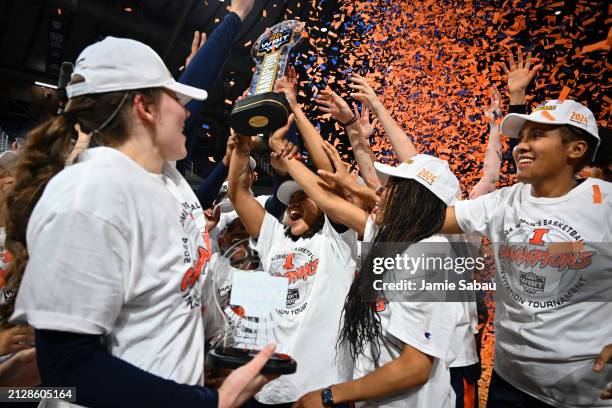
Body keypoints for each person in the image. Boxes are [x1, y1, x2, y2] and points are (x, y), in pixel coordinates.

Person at [4, 36, 276, 408]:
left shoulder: (160, 183)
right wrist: (207, 402)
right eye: (175, 100)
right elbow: (68, 364)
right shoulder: (91, 192)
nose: (185, 112)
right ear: (144, 108)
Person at [440, 98, 612, 407]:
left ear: (576, 149)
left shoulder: (605, 203)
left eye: (537, 136)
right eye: (522, 138)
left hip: (586, 394)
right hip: (510, 384)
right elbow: (437, 219)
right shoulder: (505, 201)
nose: (521, 146)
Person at [274, 147, 471, 407]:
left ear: (415, 199)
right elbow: (327, 201)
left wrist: (330, 395)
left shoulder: (430, 259)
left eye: (391, 187)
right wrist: (287, 158)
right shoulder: (390, 239)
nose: (378, 191)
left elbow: (415, 367)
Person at [227, 120, 357, 407]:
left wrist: (296, 112)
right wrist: (241, 146)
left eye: (303, 198)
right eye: (290, 200)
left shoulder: (335, 241)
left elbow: (333, 189)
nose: (294, 204)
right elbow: (238, 194)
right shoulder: (275, 238)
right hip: (268, 389)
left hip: (319, 390)